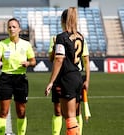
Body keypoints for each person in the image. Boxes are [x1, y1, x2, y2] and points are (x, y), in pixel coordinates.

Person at [0, 18, 36, 135]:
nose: (11, 29)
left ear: (19, 29)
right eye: (9, 27)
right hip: (6, 79)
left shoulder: (26, 44)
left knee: (21, 111)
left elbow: (33, 61)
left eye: (14, 27)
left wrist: (28, 63)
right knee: (4, 111)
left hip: (21, 79)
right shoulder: (2, 44)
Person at [45, 7, 85, 135]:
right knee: (71, 116)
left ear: (63, 20)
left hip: (67, 78)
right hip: (77, 76)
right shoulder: (80, 37)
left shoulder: (62, 37)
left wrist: (51, 82)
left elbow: (59, 60)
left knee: (70, 117)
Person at [48, 34, 90, 135]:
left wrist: (87, 79)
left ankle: (78, 133)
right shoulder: (56, 38)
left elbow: (86, 60)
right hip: (60, 76)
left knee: (76, 111)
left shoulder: (80, 37)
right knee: (58, 110)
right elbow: (51, 58)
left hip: (73, 76)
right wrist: (54, 47)